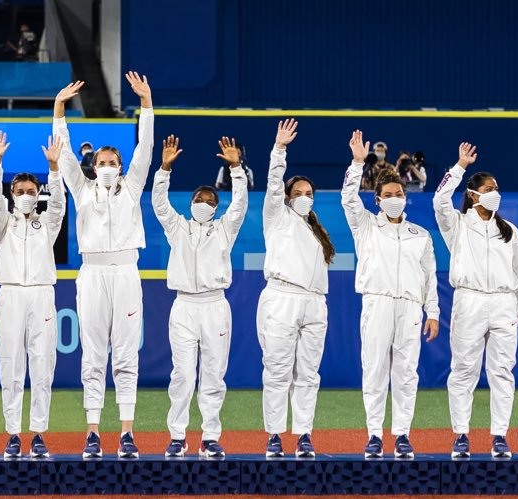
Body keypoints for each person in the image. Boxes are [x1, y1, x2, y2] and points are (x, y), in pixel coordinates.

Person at [52, 74, 155, 458]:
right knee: (93, 354)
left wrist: (146, 104)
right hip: (92, 274)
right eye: (102, 162)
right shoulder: (81, 190)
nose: (108, 166)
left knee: (127, 354)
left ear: (121, 166)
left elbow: (145, 148)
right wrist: (59, 107)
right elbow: (63, 154)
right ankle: (93, 431)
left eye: (113, 162)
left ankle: (126, 432)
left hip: (127, 271)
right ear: (93, 167)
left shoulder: (131, 188)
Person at [341, 130, 440, 459]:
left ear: (405, 196)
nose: (396, 197)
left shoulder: (420, 235)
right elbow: (347, 198)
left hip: (411, 308)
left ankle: (401, 435)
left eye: (399, 192)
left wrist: (434, 312)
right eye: (389, 193)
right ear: (378, 199)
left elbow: (429, 275)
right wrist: (357, 163)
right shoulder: (366, 225)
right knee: (374, 369)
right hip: (377, 302)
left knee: (406, 372)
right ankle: (373, 435)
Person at [152, 135, 248, 458]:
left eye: (209, 200)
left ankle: (210, 437)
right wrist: (164, 168)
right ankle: (177, 437)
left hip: (215, 304)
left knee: (213, 373)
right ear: (191, 203)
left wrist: (236, 167)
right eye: (199, 198)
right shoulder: (177, 227)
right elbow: (159, 205)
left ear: (215, 206)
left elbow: (240, 206)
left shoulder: (224, 229)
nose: (204, 202)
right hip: (184, 306)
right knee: (182, 373)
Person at [434, 142, 518, 459]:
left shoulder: (511, 231)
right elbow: (439, 200)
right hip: (470, 301)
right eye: (489, 189)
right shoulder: (458, 225)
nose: (496, 193)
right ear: (474, 194)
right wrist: (459, 166)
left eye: (497, 189)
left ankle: (499, 436)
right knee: (464, 370)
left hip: (504, 303)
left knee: (503, 371)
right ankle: (461, 435)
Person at [0, 131, 67, 459]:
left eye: (30, 192)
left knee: (43, 363)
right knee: (10, 364)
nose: (25, 196)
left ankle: (37, 434)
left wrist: (54, 169)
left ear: (38, 195)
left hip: (41, 295)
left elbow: (59, 204)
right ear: (12, 194)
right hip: (10, 296)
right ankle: (13, 434)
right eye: (19, 192)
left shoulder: (47, 223)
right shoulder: (3, 223)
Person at [257, 118, 334, 458]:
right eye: (298, 193)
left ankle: (303, 434)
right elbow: (273, 184)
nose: (304, 198)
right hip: (282, 297)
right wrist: (279, 149)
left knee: (308, 373)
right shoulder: (277, 217)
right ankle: (274, 435)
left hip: (315, 303)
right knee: (277, 370)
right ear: (287, 197)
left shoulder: (317, 231)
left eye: (309, 194)